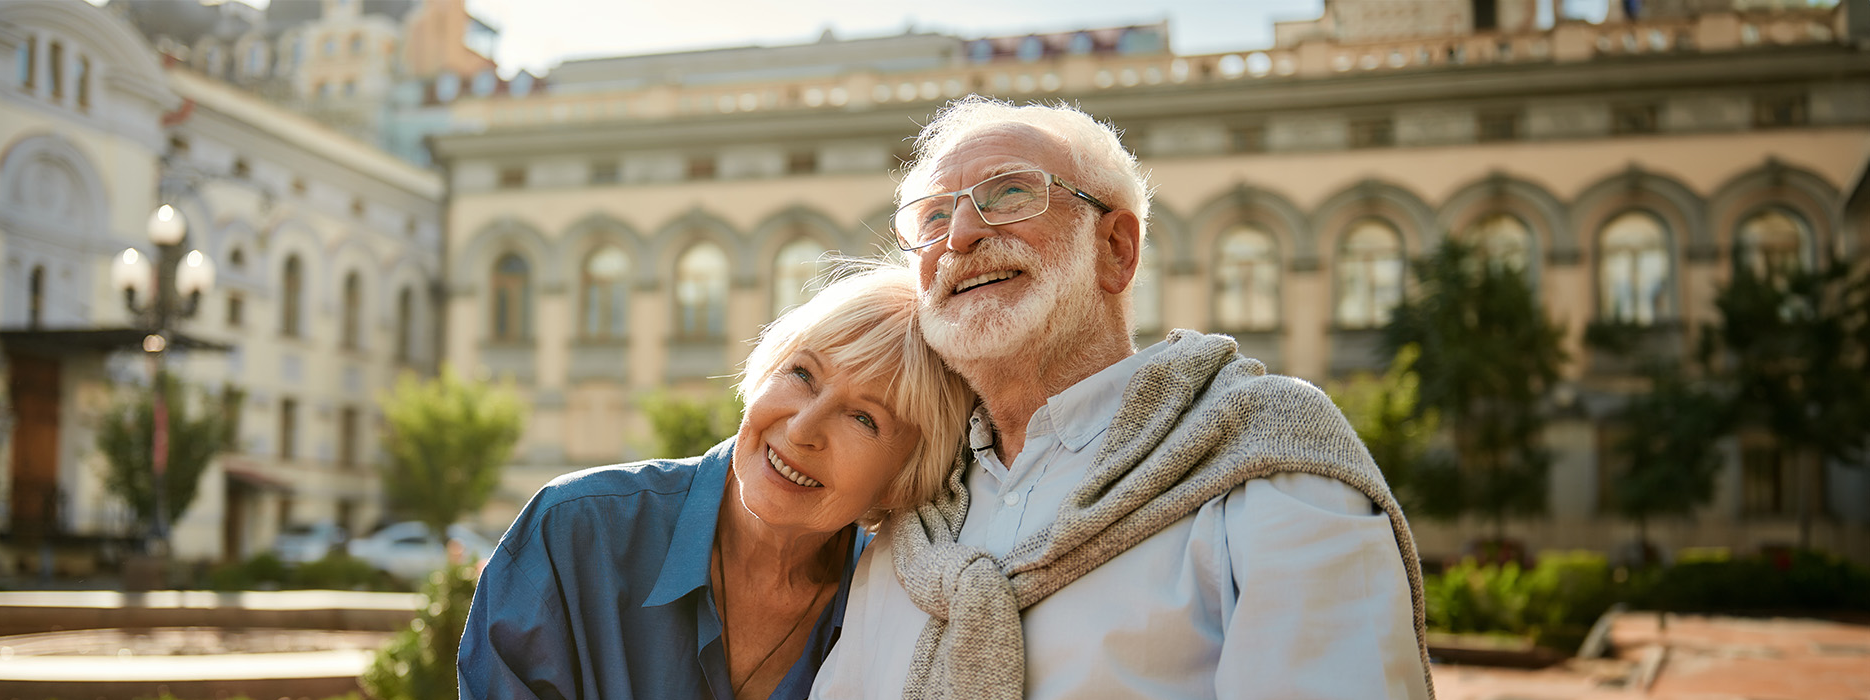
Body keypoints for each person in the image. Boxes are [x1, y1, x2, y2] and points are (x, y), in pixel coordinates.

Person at [809, 97, 1434, 699]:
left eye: (1011, 193)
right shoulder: (911, 521)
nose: (962, 234)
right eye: (934, 218)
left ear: (1116, 249)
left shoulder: (1267, 456)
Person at [458, 264, 976, 700]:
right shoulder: (573, 532)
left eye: (864, 419)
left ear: (903, 479)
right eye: (801, 374)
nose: (801, 429)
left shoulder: (899, 608)